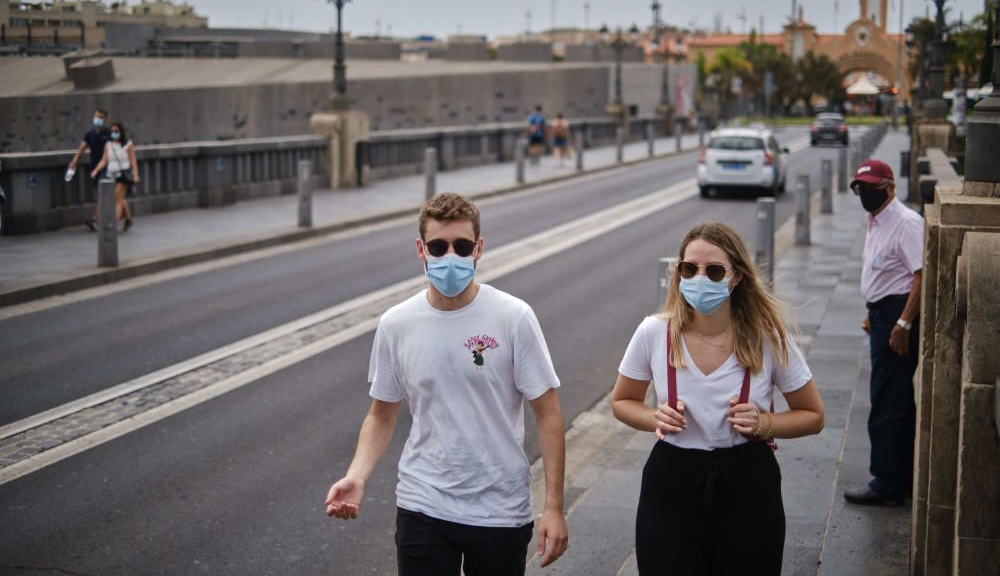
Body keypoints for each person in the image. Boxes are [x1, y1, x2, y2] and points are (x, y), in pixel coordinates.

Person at [325, 192, 569, 575]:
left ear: (479, 249)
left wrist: (554, 507)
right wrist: (357, 475)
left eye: (462, 246)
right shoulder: (396, 323)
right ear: (421, 250)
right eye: (438, 246)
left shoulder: (514, 317)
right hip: (423, 504)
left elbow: (549, 415)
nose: (450, 256)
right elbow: (382, 414)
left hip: (499, 510)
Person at [611, 222, 824, 575]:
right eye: (689, 268)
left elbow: (813, 415)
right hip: (671, 481)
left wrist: (765, 423)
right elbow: (622, 402)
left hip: (747, 481)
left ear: (736, 276)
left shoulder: (767, 338)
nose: (699, 278)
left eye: (713, 271)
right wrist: (654, 418)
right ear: (677, 273)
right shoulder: (654, 332)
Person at [843, 159, 923, 507]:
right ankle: (899, 476)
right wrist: (872, 311)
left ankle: (887, 483)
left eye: (872, 187)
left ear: (890, 187)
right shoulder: (875, 220)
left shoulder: (906, 223)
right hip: (882, 314)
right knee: (889, 396)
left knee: (889, 401)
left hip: (897, 316)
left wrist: (902, 323)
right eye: (861, 188)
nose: (866, 193)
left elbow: (920, 276)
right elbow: (886, 271)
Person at [90, 122, 139, 232]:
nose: (114, 133)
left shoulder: (128, 145)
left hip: (123, 175)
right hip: (111, 174)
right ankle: (128, 219)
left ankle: (113, 224)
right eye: (112, 131)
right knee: (120, 198)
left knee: (116, 200)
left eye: (116, 131)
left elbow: (133, 161)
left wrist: (136, 175)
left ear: (121, 132)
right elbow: (104, 160)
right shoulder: (108, 145)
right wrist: (96, 170)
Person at [67, 108, 110, 231]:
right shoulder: (89, 134)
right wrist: (74, 161)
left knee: (103, 194)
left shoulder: (108, 133)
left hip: (107, 167)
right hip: (94, 166)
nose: (98, 119)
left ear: (104, 119)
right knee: (114, 195)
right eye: (96, 116)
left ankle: (96, 219)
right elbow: (82, 148)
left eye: (101, 117)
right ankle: (128, 218)